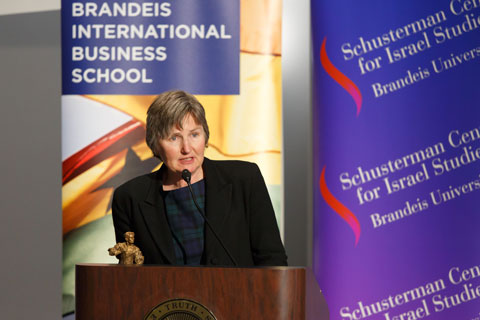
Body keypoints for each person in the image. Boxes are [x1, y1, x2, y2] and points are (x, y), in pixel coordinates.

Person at [111, 90, 287, 266]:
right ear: (155, 144)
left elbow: (272, 260)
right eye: (174, 138)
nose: (187, 148)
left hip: (239, 294)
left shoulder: (244, 179)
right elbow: (130, 279)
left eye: (194, 135)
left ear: (205, 136)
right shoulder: (130, 199)